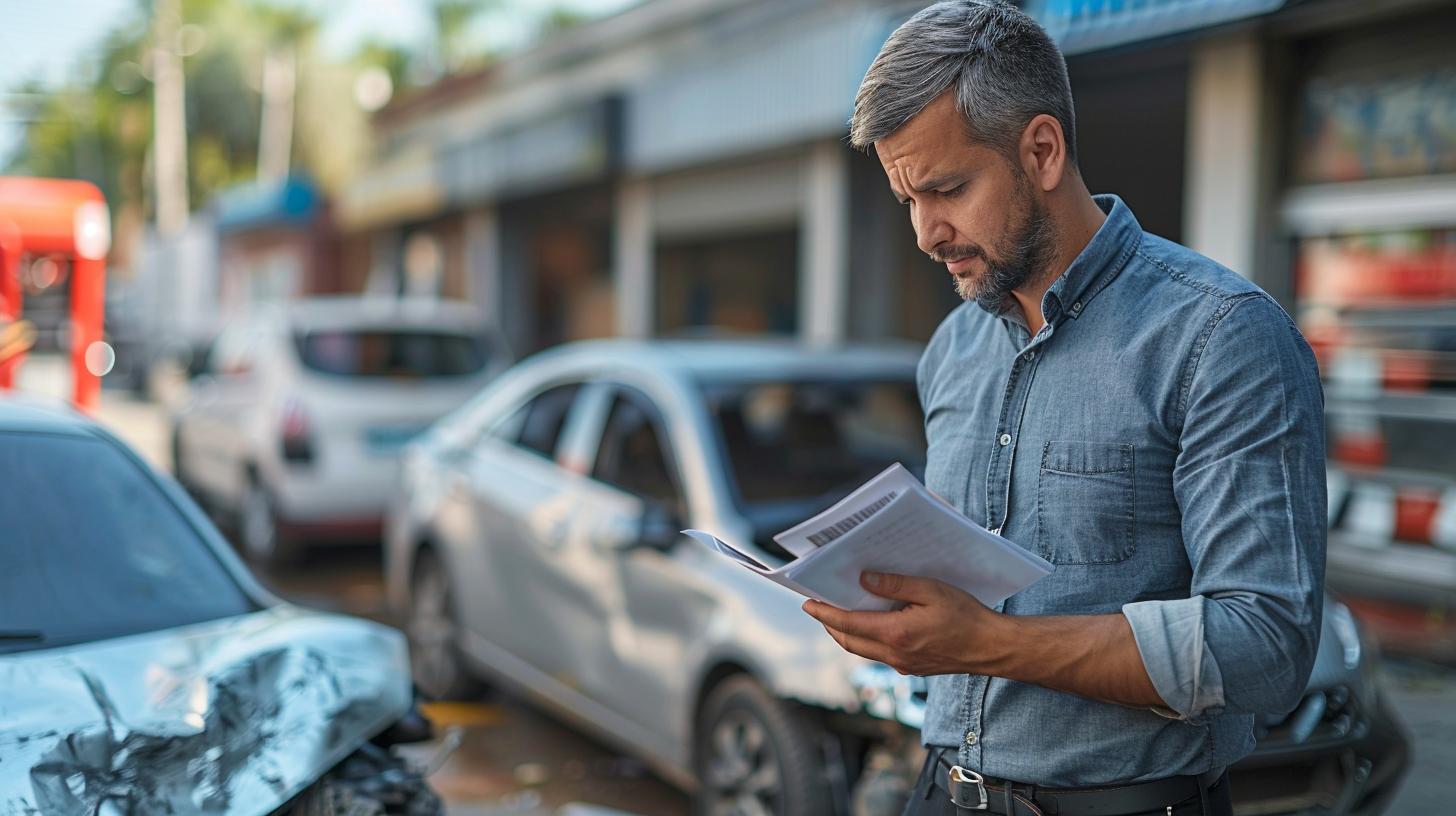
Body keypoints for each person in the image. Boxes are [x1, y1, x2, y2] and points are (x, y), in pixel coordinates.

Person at [801, 3, 1327, 814]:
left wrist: (990, 645)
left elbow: (1266, 647)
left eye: (946, 189)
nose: (925, 233)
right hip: (941, 791)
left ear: (1042, 150)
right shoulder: (952, 350)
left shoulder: (1220, 336)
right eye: (908, 199)